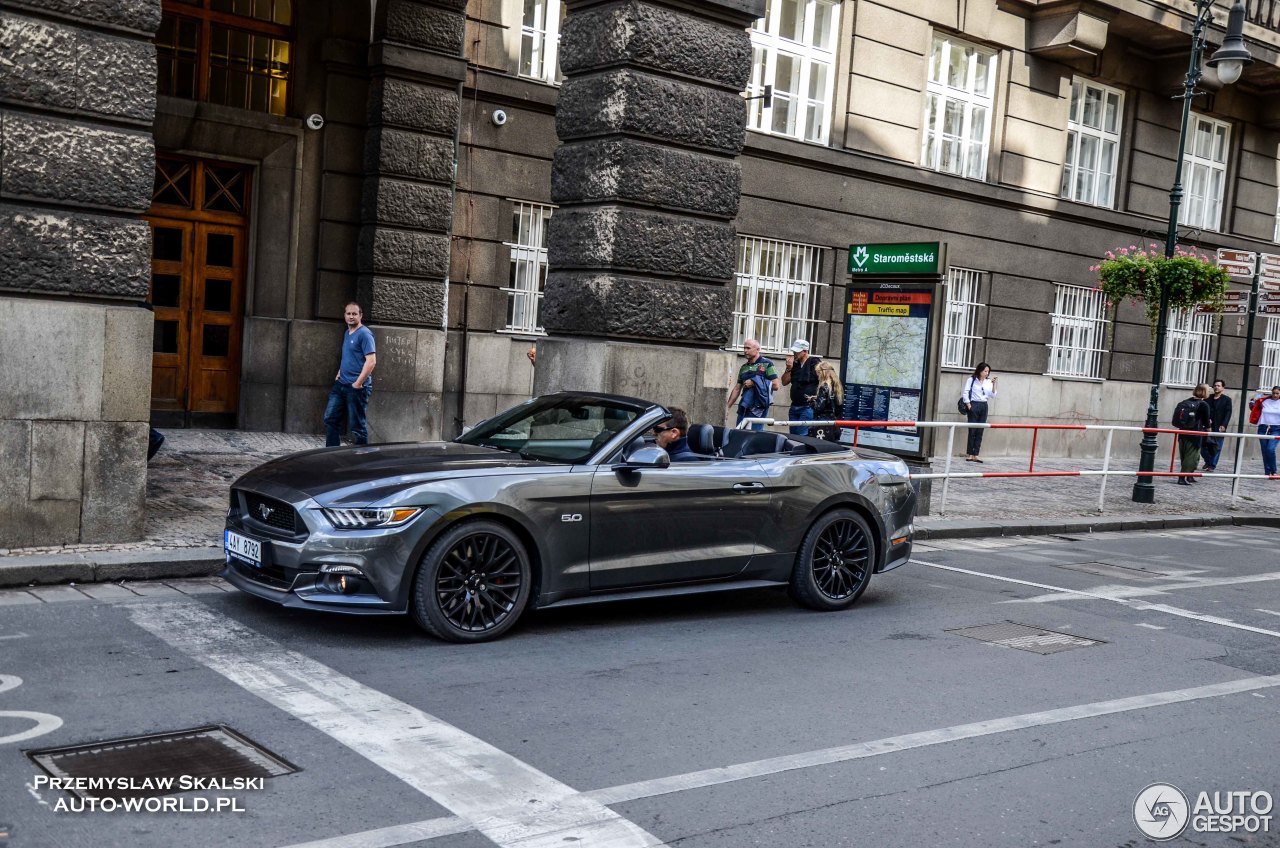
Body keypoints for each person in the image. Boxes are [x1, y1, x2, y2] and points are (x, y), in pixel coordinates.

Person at [324, 302, 377, 447]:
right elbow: (350, 356)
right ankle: (333, 453)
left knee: (357, 427)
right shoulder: (347, 333)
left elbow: (371, 361)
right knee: (330, 419)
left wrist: (358, 383)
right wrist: (340, 372)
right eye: (348, 313)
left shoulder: (365, 334)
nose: (351, 316)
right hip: (341, 384)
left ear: (360, 316)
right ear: (344, 315)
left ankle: (361, 459)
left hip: (356, 388)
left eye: (354, 314)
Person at [726, 338, 779, 431]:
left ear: (757, 349)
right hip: (744, 406)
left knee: (753, 437)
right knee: (739, 435)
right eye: (744, 348)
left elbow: (775, 385)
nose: (745, 351)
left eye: (748, 348)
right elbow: (737, 389)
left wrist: (755, 382)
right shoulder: (744, 367)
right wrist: (727, 407)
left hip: (759, 407)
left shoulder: (767, 364)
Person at [1172, 383, 1211, 485]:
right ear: (1205, 392)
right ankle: (1182, 478)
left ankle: (1189, 476)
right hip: (1194, 434)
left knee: (1185, 455)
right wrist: (1209, 429)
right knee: (1192, 457)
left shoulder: (1186, 402)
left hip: (1182, 432)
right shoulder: (1203, 405)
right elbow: (1206, 422)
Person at [781, 339, 820, 436]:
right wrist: (789, 368)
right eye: (794, 351)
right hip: (794, 406)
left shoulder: (815, 363)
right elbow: (784, 382)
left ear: (805, 351)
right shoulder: (795, 364)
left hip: (807, 406)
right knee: (793, 435)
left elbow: (824, 381)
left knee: (802, 435)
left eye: (797, 351)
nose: (795, 353)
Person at [960, 362, 997, 462]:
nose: (987, 373)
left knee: (980, 430)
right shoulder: (971, 380)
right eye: (985, 371)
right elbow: (966, 392)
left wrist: (994, 385)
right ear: (980, 371)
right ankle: (970, 454)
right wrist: (968, 404)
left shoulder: (988, 382)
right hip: (973, 404)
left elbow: (992, 395)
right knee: (972, 429)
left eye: (988, 371)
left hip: (984, 405)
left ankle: (976, 454)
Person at [1202, 379, 1232, 472]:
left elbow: (1228, 413)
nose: (1216, 387)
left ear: (1223, 388)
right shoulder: (1207, 398)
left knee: (1217, 447)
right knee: (1202, 446)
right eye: (1215, 385)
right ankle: (1208, 461)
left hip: (1219, 426)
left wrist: (1224, 425)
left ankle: (1212, 465)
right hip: (1208, 426)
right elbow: (1204, 411)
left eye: (1218, 386)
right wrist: (1206, 420)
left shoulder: (1227, 400)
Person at [811, 360, 844, 443]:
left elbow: (819, 407)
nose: (817, 376)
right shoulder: (837, 387)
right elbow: (838, 406)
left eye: (818, 373)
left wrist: (812, 402)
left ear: (823, 373)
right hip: (833, 421)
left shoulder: (824, 387)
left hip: (822, 421)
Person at [1253, 385, 1280, 478]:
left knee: (1270, 449)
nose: (1275, 395)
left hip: (1276, 428)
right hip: (1263, 427)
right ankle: (1267, 472)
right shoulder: (1264, 401)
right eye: (1274, 393)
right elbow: (1255, 408)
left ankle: (1273, 470)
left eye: (1277, 393)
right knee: (1265, 451)